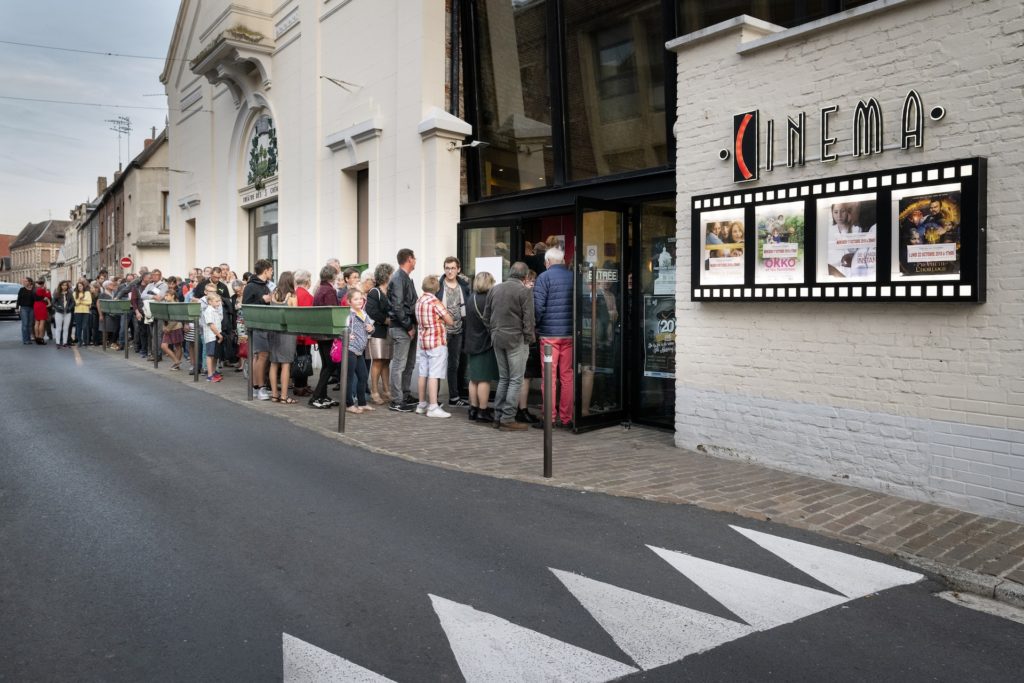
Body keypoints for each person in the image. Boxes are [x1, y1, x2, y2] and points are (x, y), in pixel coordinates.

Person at [482, 261, 535, 431]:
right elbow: (529, 320)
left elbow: (486, 317)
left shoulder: (495, 289)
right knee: (516, 379)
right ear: (525, 276)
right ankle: (507, 418)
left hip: (497, 338)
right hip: (515, 339)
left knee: (504, 378)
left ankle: (498, 416)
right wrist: (528, 338)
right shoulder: (524, 291)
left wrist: (494, 330)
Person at [532, 246, 574, 429]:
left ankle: (549, 418)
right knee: (567, 377)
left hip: (549, 336)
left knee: (549, 377)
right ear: (563, 261)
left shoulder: (543, 278)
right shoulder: (573, 277)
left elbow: (538, 307)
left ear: (547, 262)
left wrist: (536, 326)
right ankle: (566, 418)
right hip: (569, 335)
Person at [414, 275, 454, 418]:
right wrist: (442, 320)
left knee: (423, 373)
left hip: (423, 341)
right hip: (436, 341)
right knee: (434, 374)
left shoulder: (419, 301)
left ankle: (421, 404)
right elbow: (450, 320)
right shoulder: (435, 302)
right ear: (437, 288)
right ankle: (433, 406)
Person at [464, 271, 498, 424]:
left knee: (474, 379)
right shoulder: (487, 300)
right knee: (484, 379)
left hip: (471, 341)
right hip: (484, 342)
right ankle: (483, 410)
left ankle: (473, 408)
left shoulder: (471, 298)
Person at [387, 248, 419, 412]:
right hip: (402, 328)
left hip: (408, 326)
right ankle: (397, 400)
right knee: (400, 364)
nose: (416, 260)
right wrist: (408, 326)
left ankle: (405, 394)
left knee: (409, 363)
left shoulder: (404, 278)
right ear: (409, 259)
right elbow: (397, 306)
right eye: (414, 258)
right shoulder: (399, 278)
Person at [438, 256, 470, 408]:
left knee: (454, 364)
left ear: (458, 269)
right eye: (447, 268)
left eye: (452, 268)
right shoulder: (438, 285)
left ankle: (454, 396)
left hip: (458, 331)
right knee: (437, 363)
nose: (449, 271)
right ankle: (434, 398)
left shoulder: (463, 285)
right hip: (441, 331)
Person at [309, 265, 341, 409]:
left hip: (320, 333)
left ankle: (322, 395)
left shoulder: (320, 289)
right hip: (327, 334)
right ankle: (316, 396)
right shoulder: (329, 290)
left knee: (326, 365)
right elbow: (332, 312)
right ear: (332, 276)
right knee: (330, 365)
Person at [243, 259, 275, 400]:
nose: (272, 272)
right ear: (266, 270)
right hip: (257, 325)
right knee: (262, 356)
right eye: (271, 270)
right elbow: (246, 306)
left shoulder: (264, 285)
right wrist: (263, 300)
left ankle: (256, 387)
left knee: (259, 356)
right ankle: (260, 387)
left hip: (264, 324)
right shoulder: (251, 286)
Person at [267, 271, 299, 404]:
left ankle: (274, 394)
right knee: (286, 364)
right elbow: (295, 316)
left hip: (274, 331)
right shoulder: (292, 296)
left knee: (274, 363)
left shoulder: (273, 294)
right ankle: (284, 396)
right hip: (287, 332)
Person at [365, 262, 394, 405]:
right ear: (386, 275)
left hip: (389, 332)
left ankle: (387, 390)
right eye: (391, 274)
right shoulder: (374, 292)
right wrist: (385, 320)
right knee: (377, 361)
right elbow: (371, 311)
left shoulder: (390, 291)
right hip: (378, 331)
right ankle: (374, 391)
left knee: (386, 361)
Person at [345, 289, 374, 414]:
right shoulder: (349, 315)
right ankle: (349, 404)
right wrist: (347, 335)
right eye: (356, 299)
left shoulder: (363, 313)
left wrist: (371, 328)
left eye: (361, 299)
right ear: (349, 302)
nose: (359, 301)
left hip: (360, 350)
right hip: (350, 349)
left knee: (363, 376)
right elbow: (342, 328)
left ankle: (362, 403)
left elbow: (371, 328)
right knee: (349, 377)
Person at [292, 270, 314, 397]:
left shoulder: (294, 294)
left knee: (299, 359)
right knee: (304, 359)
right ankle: (301, 386)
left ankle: (301, 385)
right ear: (307, 281)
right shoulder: (307, 296)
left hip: (295, 333)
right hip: (304, 334)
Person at [202, 292, 225, 382]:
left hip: (216, 335)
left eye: (219, 301)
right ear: (210, 302)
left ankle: (214, 372)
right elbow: (211, 325)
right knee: (210, 355)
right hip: (211, 336)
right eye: (216, 301)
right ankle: (210, 375)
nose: (218, 303)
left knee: (215, 355)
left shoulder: (215, 310)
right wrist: (219, 335)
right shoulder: (209, 310)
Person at [159, 290, 185, 370]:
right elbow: (164, 317)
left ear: (173, 296)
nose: (165, 297)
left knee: (178, 346)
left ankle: (176, 365)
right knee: (164, 346)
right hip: (168, 328)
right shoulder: (166, 304)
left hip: (176, 328)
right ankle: (176, 361)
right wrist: (164, 326)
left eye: (167, 295)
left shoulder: (175, 305)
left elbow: (176, 319)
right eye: (165, 295)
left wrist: (168, 328)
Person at [98, 280, 121, 350]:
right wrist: (100, 315)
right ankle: (104, 344)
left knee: (113, 329)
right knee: (105, 329)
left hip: (114, 314)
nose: (113, 285)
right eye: (111, 284)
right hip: (106, 314)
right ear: (106, 286)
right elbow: (98, 304)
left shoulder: (114, 293)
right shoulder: (103, 294)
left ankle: (111, 343)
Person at [51, 280, 74, 348]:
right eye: (63, 285)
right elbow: (53, 302)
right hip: (59, 312)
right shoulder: (57, 293)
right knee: (59, 328)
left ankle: (65, 342)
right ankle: (58, 342)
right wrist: (58, 307)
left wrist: (69, 308)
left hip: (67, 313)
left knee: (66, 328)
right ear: (60, 286)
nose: (64, 286)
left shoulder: (70, 293)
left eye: (66, 285)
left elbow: (73, 302)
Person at [32, 279, 51, 345]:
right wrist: (47, 290)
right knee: (42, 322)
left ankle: (36, 337)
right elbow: (48, 296)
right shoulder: (42, 289)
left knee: (37, 322)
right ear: (42, 284)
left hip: (35, 304)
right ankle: (40, 338)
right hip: (41, 305)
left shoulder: (34, 289)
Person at [17, 277, 35, 344]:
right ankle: (25, 340)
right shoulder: (21, 290)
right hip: (24, 308)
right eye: (24, 281)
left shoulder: (33, 290)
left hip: (32, 308)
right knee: (25, 324)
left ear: (30, 282)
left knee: (30, 324)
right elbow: (18, 299)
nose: (24, 282)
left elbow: (36, 298)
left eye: (26, 281)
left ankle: (29, 339)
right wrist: (17, 308)